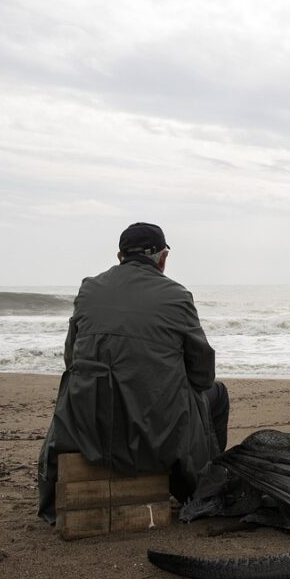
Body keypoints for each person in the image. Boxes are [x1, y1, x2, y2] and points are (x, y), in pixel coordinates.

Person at [37, 222, 229, 523]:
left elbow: (71, 359)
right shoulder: (177, 296)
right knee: (218, 394)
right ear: (162, 258)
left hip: (87, 429)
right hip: (157, 433)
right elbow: (202, 373)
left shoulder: (89, 289)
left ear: (119, 256)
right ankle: (203, 486)